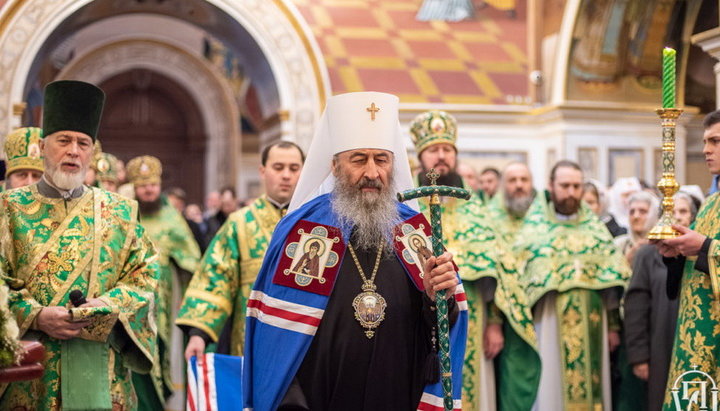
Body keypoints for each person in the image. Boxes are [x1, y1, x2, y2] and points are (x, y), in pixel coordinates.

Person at [243, 92, 466, 410]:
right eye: (359, 159)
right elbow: (277, 339)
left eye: (382, 160)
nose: (373, 173)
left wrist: (435, 299)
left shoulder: (414, 231)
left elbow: (439, 333)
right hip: (321, 398)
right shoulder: (304, 230)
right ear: (335, 165)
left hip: (396, 394)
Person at [0, 80, 158, 410]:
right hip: (29, 372)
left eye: (83, 142)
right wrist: (36, 315)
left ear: (91, 151)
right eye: (64, 140)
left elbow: (144, 279)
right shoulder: (7, 208)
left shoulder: (121, 211)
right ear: (43, 146)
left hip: (103, 372)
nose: (74, 150)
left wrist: (104, 307)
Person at [514, 160, 630, 410]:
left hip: (593, 321)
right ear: (551, 187)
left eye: (576, 186)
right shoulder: (533, 231)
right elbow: (518, 279)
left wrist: (612, 324)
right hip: (548, 321)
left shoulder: (595, 231)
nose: (571, 192)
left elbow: (613, 281)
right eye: (565, 185)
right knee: (551, 388)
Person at [410, 109, 503, 410]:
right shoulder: (407, 206)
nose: (441, 156)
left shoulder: (476, 207)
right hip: (418, 316)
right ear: (421, 157)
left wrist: (494, 323)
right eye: (434, 150)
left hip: (471, 319)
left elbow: (500, 272)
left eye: (447, 150)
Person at [177, 141, 305, 359]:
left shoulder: (316, 224)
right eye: (278, 167)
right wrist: (199, 334)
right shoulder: (240, 223)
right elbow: (215, 277)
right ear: (263, 171)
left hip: (303, 339)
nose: (286, 175)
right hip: (251, 339)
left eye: (294, 169)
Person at [655, 110, 720, 410]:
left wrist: (705, 246)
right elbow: (700, 263)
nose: (706, 149)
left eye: (716, 141)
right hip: (695, 339)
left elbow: (708, 249)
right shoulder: (711, 204)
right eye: (706, 141)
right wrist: (678, 255)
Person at [126, 155, 201, 411]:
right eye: (142, 185)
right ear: (135, 188)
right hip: (132, 300)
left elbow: (191, 257)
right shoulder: (126, 215)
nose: (148, 189)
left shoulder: (172, 217)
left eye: (152, 185)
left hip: (166, 301)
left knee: (164, 348)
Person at [624, 191, 696, 411]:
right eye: (671, 212)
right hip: (660, 346)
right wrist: (639, 356)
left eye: (683, 211)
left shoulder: (699, 254)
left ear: (693, 217)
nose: (678, 216)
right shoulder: (647, 254)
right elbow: (636, 305)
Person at [485, 162, 538, 247]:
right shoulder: (488, 217)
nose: (519, 185)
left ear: (531, 183)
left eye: (524, 180)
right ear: (502, 185)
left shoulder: (543, 215)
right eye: (512, 180)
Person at [614, 191, 660, 264]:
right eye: (632, 212)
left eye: (642, 211)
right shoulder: (619, 244)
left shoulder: (663, 246)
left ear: (654, 215)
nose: (636, 216)